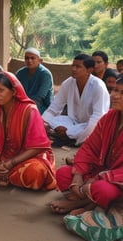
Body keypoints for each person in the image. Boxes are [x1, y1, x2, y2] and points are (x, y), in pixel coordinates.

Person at [0, 72, 56, 190]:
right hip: (1, 157)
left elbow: (37, 147)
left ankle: (4, 176)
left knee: (36, 171)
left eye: (0, 90)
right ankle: (5, 175)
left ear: (14, 91)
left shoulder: (30, 110)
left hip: (26, 158)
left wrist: (11, 163)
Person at [50, 75, 123, 221]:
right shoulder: (109, 117)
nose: (114, 95)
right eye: (115, 90)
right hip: (101, 171)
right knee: (64, 174)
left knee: (102, 190)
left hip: (117, 180)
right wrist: (78, 176)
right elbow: (89, 148)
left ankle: (81, 202)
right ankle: (89, 199)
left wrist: (98, 178)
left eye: (121, 93)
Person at [42, 54, 110, 147]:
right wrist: (43, 124)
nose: (74, 69)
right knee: (51, 121)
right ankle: (67, 136)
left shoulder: (98, 86)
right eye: (73, 66)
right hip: (72, 123)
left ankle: (71, 138)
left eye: (78, 67)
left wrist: (72, 133)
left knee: (91, 128)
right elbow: (55, 107)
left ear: (89, 70)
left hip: (89, 125)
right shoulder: (68, 83)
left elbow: (98, 117)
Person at [16, 47, 54, 114]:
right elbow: (15, 91)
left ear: (40, 60)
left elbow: (40, 97)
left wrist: (24, 107)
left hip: (42, 107)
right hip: (22, 105)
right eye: (26, 58)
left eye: (32, 58)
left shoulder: (45, 74)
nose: (29, 60)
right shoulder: (20, 73)